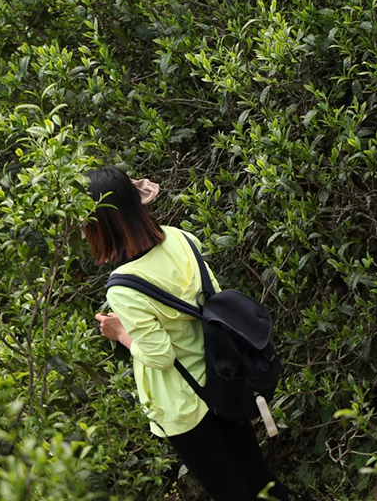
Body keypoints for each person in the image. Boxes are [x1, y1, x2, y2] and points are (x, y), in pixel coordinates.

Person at [85, 164, 291, 501]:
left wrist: (119, 332)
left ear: (102, 226)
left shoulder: (123, 287)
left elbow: (159, 355)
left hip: (184, 406)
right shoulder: (182, 239)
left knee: (231, 492)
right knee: (260, 479)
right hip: (224, 380)